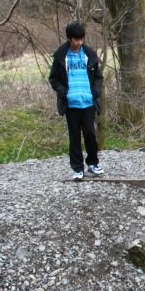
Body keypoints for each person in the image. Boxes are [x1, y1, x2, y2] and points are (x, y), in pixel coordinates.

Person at [48, 21, 105, 181]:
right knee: (74, 137)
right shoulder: (60, 56)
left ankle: (93, 163)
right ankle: (78, 169)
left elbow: (99, 78)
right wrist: (64, 92)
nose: (79, 43)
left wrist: (95, 92)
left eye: (81, 39)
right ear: (69, 39)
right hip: (71, 103)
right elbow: (53, 79)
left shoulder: (89, 55)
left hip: (88, 102)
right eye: (76, 40)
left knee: (90, 134)